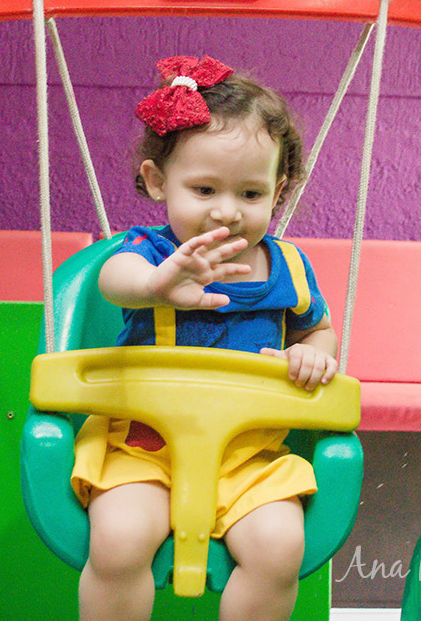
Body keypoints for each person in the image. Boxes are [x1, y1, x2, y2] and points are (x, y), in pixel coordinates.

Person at [70, 55, 341, 621]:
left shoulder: (288, 267)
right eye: (204, 189)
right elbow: (112, 282)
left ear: (278, 191)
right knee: (118, 541)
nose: (227, 212)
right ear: (156, 181)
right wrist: (159, 285)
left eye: (250, 194)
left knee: (280, 548)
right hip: (145, 449)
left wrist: (312, 356)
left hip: (249, 456)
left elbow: (318, 328)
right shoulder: (151, 253)